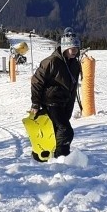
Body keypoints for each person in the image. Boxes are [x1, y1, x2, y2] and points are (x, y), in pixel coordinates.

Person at [30, 27, 82, 159]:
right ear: (65, 48)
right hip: (50, 101)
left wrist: (70, 107)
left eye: (76, 48)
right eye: (72, 49)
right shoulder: (51, 62)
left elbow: (73, 87)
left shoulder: (75, 64)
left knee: (55, 129)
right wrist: (35, 104)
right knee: (66, 131)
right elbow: (37, 81)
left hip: (64, 102)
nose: (75, 51)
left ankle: (41, 154)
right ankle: (61, 157)